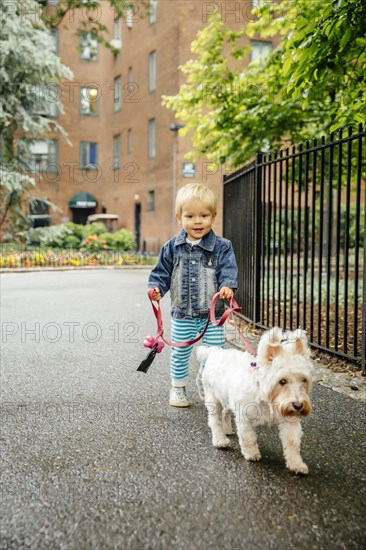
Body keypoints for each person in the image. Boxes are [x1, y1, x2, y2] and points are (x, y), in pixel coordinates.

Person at [148, 183, 238, 407]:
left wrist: (228, 286)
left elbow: (228, 271)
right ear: (180, 217)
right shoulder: (172, 247)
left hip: (212, 317)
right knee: (180, 353)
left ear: (213, 216)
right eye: (190, 216)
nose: (198, 221)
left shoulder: (222, 247)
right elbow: (162, 273)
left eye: (204, 215)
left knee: (214, 355)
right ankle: (177, 388)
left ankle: (206, 385)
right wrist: (156, 288)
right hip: (183, 314)